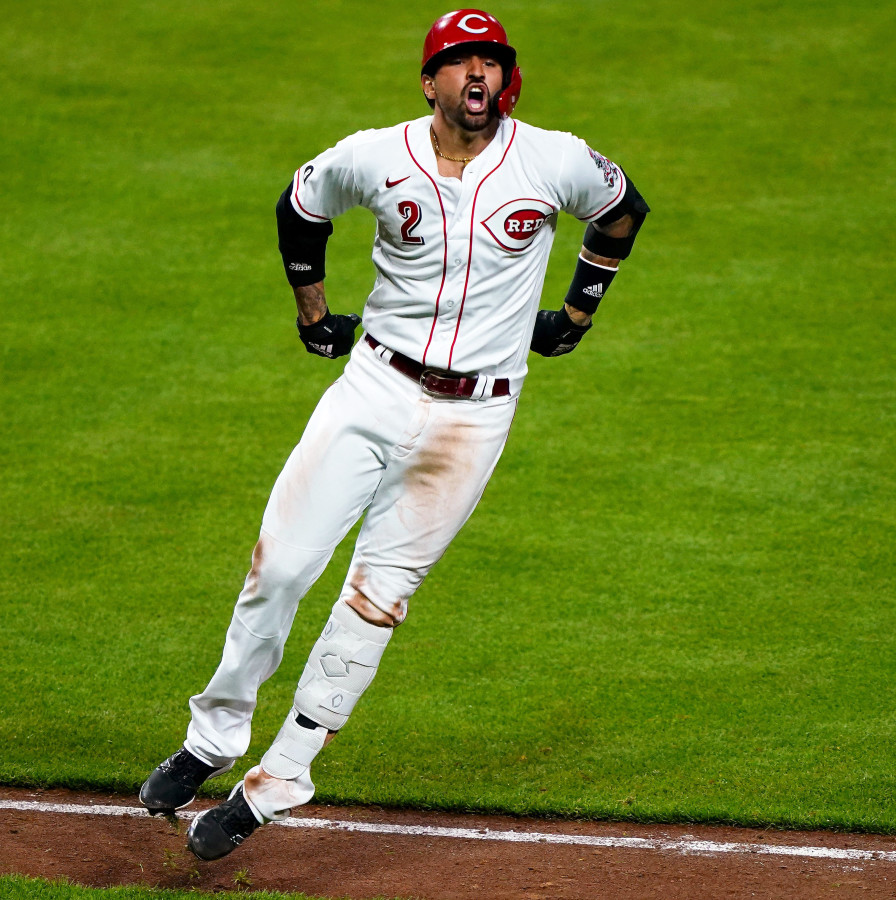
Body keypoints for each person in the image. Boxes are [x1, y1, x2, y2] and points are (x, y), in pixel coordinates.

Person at [139, 8, 649, 861]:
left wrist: (579, 311)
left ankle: (280, 776)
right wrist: (312, 314)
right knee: (281, 567)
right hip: (371, 388)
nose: (477, 76)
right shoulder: (375, 154)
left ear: (506, 78)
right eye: (459, 63)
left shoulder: (553, 158)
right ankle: (212, 737)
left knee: (375, 600)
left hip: (474, 417)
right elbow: (300, 208)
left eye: (491, 62)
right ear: (430, 81)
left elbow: (624, 210)